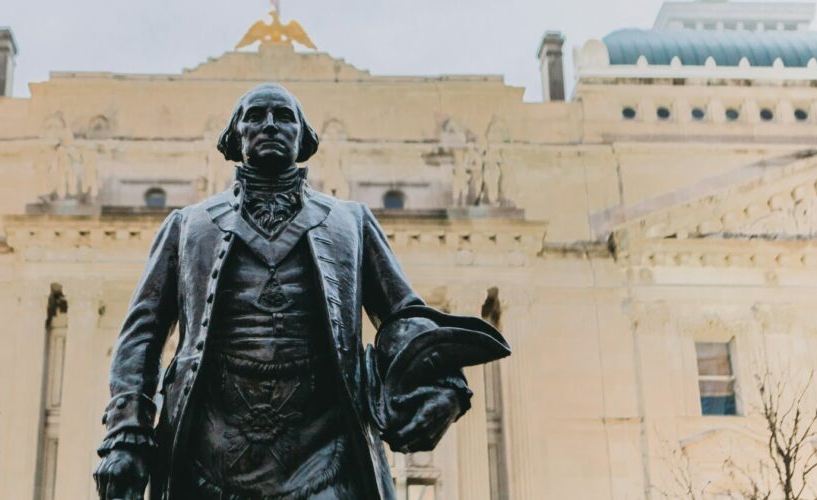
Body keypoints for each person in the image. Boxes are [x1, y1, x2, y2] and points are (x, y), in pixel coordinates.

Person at [94, 83, 510, 500]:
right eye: (254, 116)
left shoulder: (351, 222)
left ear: (304, 137)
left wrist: (443, 386)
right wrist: (125, 432)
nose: (270, 125)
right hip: (209, 451)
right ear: (234, 136)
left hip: (326, 450)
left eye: (284, 116)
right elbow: (142, 334)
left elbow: (403, 315)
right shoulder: (188, 226)